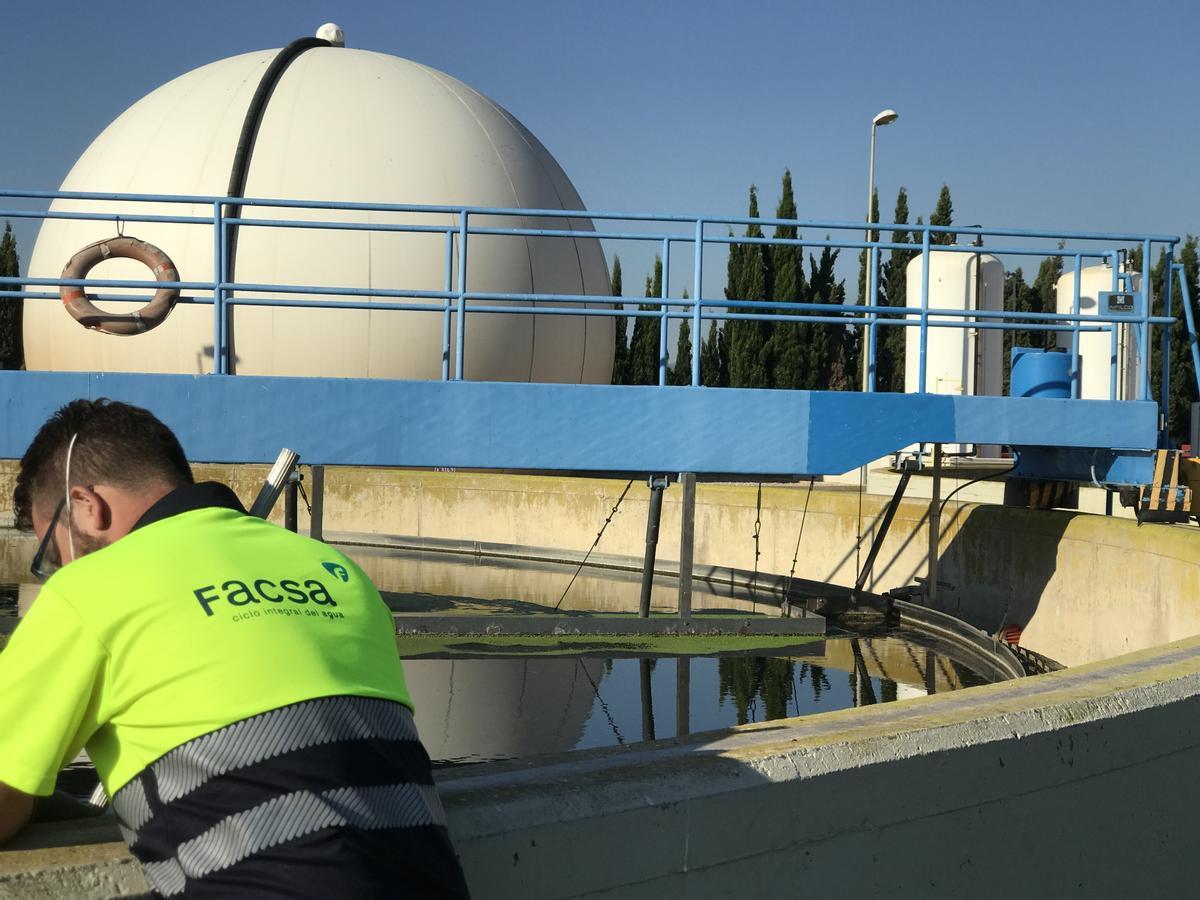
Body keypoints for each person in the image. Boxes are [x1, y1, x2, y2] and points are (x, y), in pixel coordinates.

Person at [0, 398, 470, 898]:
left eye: (53, 552)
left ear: (88, 506)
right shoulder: (335, 570)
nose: (57, 571)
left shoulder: (88, 589)